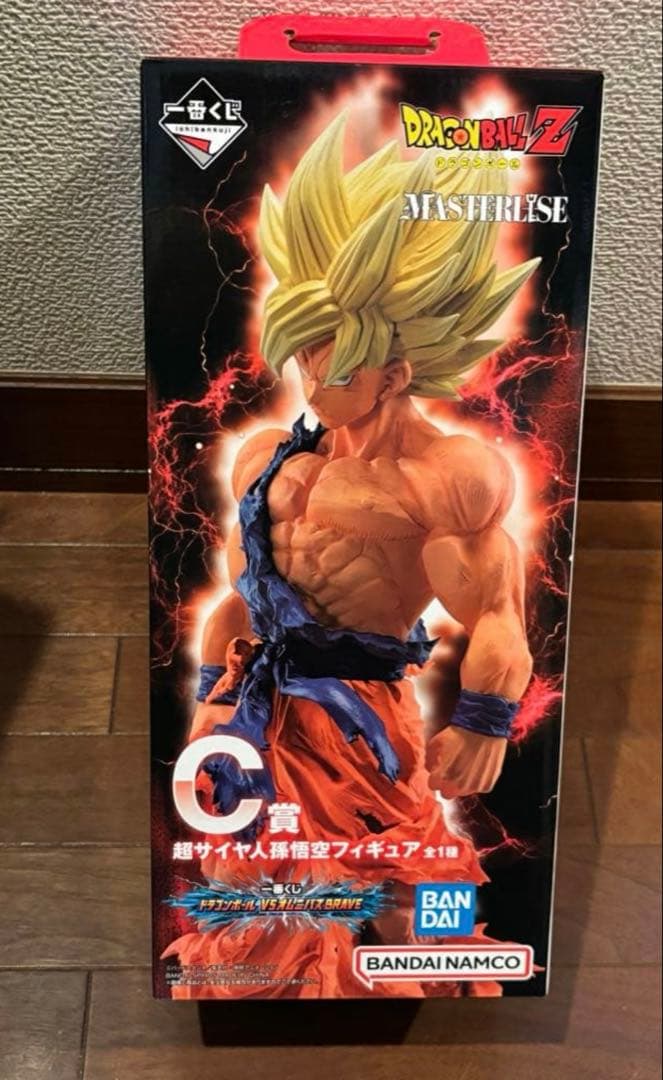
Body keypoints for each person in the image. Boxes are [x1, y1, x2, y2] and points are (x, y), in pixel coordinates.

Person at [165, 114, 537, 999]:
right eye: (302, 355)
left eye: (330, 365)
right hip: (256, 702)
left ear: (395, 373)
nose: (307, 379)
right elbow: (240, 593)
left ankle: (421, 985)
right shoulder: (267, 459)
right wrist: (212, 692)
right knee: (249, 888)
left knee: (402, 874)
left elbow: (495, 611)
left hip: (364, 709)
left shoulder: (444, 479)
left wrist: (483, 715)